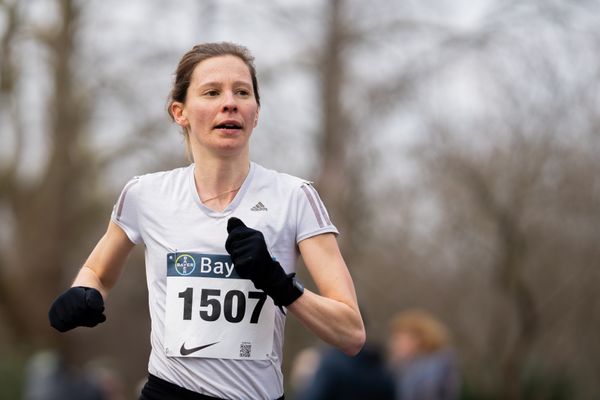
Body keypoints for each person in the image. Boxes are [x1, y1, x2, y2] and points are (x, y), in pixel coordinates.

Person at [48, 42, 365, 400]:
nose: (229, 102)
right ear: (179, 112)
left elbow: (351, 333)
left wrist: (279, 283)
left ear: (256, 112)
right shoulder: (145, 194)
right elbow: (98, 273)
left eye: (242, 92)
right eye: (212, 92)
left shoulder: (294, 197)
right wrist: (82, 294)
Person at [388, 309, 460, 400]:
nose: (393, 344)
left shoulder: (430, 372)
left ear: (418, 340)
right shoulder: (404, 368)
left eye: (398, 339)